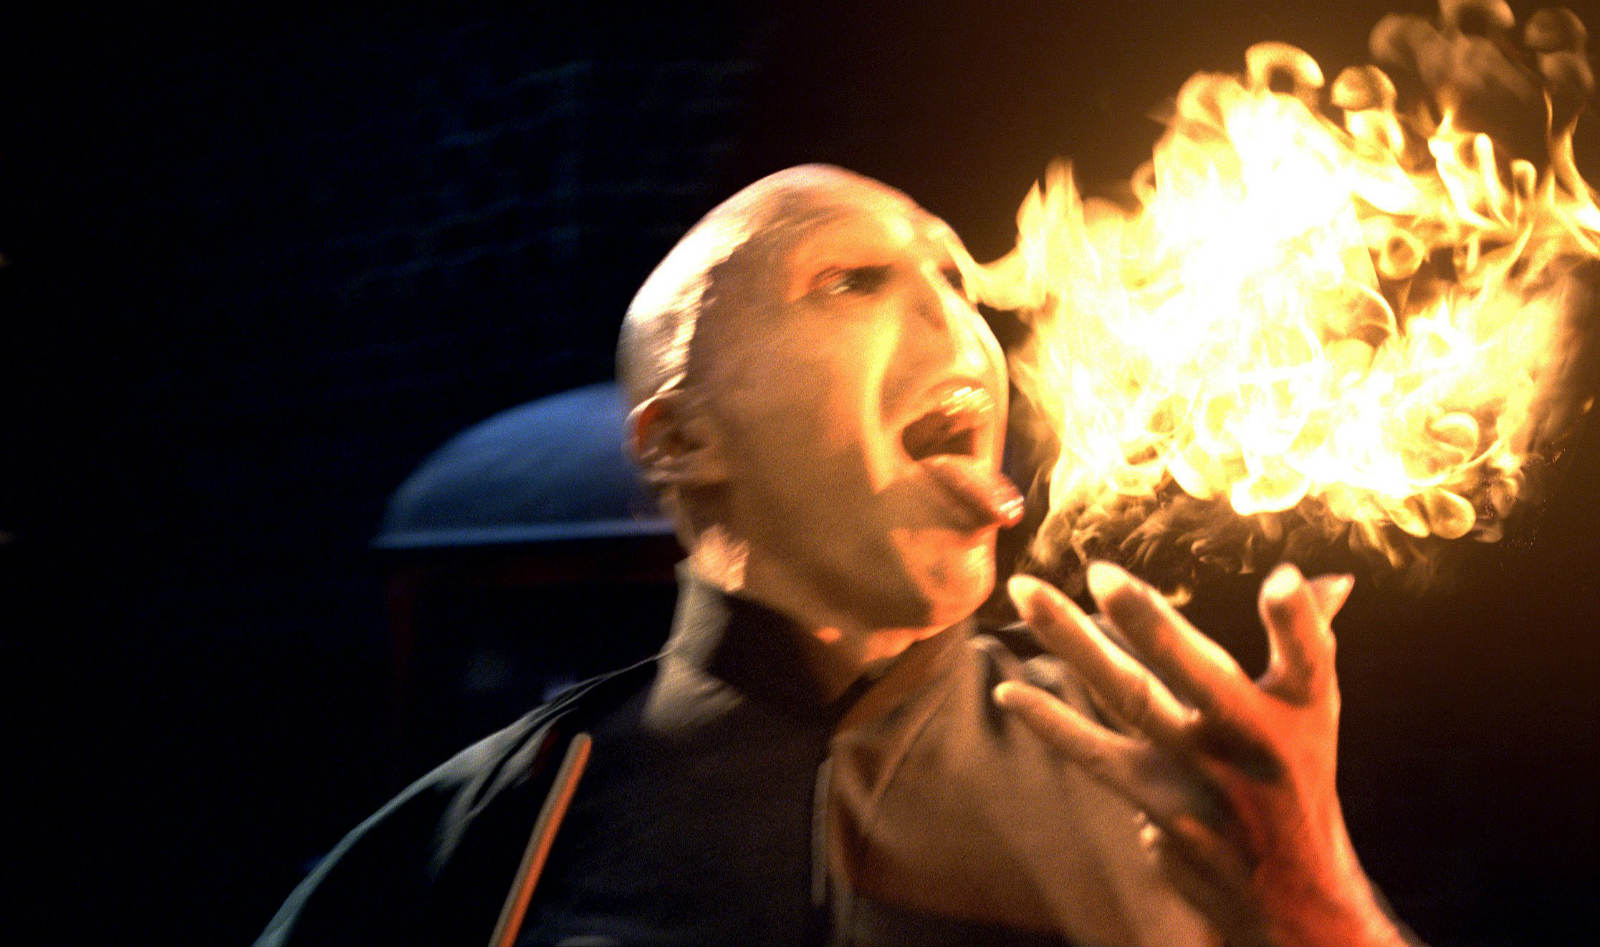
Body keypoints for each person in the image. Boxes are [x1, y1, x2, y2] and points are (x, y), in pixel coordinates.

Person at [259, 4, 1589, 943]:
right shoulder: (483, 838)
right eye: (852, 281)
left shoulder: (1178, 779)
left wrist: (1321, 907)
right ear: (679, 442)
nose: (956, 317)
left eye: (957, 276)